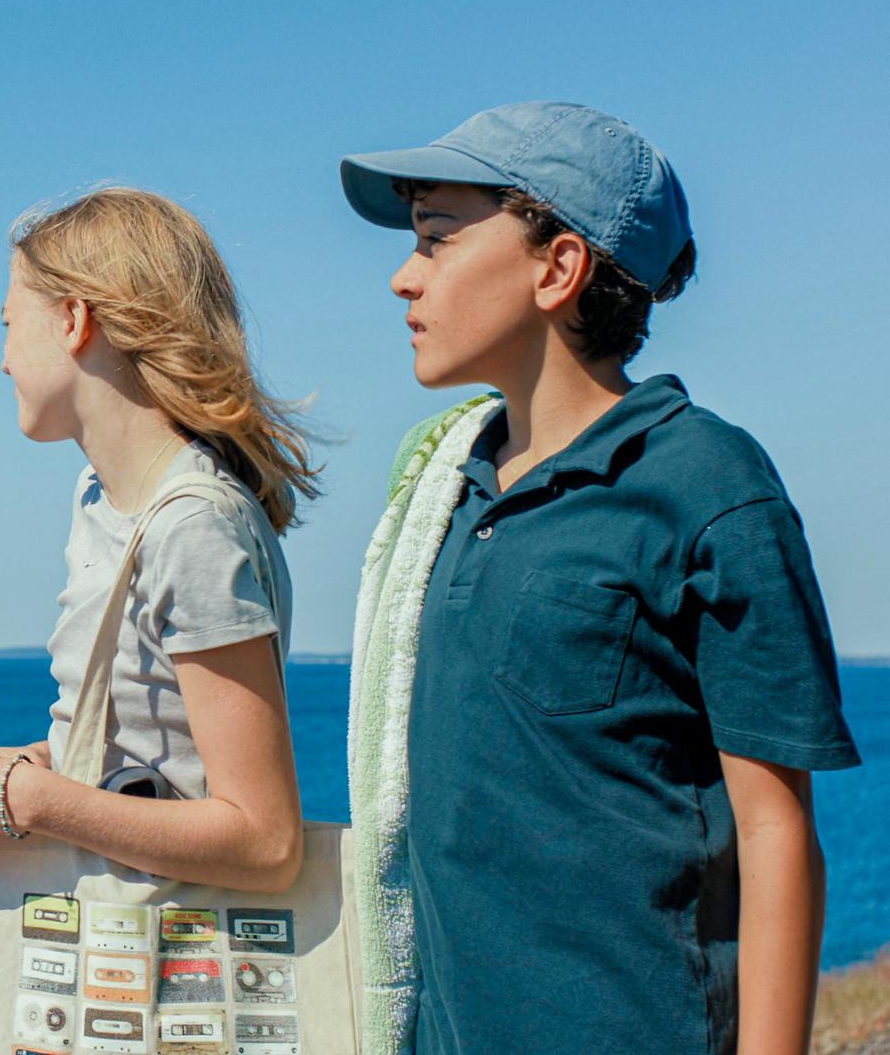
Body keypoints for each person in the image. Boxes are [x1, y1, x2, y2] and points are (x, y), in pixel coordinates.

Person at [340, 101, 860, 1053]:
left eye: (438, 239)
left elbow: (775, 834)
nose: (402, 277)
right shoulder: (442, 491)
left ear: (558, 267)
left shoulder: (707, 483)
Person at [0, 186, 317, 1027]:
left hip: (175, 992)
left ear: (74, 319)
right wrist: (44, 756)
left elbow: (264, 838)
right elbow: (166, 760)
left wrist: (28, 800)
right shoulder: (102, 500)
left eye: (5, 323)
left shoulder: (196, 528)